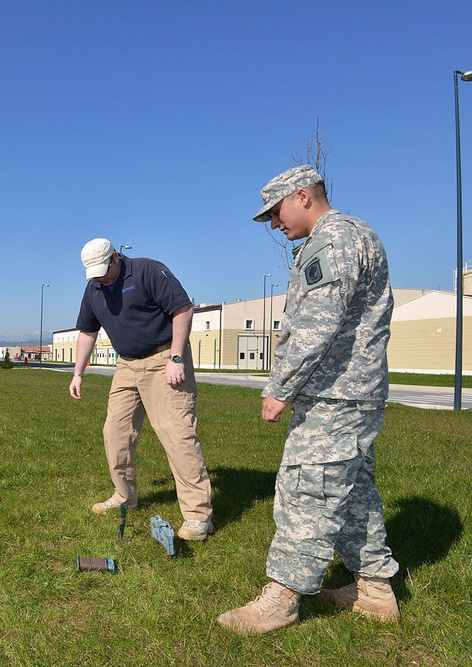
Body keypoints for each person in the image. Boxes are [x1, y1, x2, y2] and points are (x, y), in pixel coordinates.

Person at [217, 165, 399, 635]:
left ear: (302, 196)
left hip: (334, 394)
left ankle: (282, 599)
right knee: (355, 490)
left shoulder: (332, 240)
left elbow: (317, 325)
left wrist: (281, 388)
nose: (275, 224)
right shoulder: (352, 234)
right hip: (354, 394)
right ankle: (375, 589)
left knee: (307, 490)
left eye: (275, 212)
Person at [70, 238, 213, 541]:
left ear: (116, 258)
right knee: (115, 433)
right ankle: (125, 496)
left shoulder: (148, 271)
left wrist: (176, 357)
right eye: (94, 273)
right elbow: (87, 331)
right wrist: (78, 373)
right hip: (127, 365)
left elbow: (183, 310)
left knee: (178, 435)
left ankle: (198, 516)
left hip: (164, 359)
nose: (101, 277)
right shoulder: (94, 287)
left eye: (104, 270)